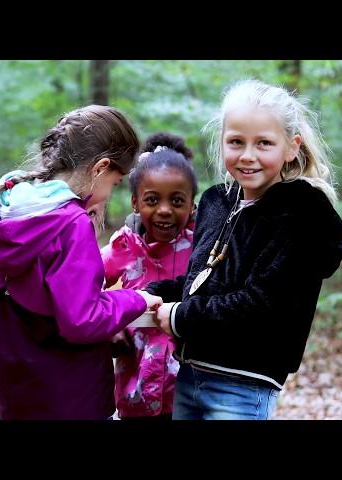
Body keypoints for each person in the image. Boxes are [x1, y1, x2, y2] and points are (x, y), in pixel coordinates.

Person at [148, 79, 342, 420]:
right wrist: (151, 294)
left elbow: (262, 304)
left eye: (264, 144)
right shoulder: (217, 201)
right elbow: (205, 281)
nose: (247, 156)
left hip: (242, 386)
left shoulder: (303, 213)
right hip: (189, 375)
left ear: (291, 147)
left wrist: (180, 316)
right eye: (236, 142)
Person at [0, 105, 162, 420]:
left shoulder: (3, 209)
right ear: (100, 168)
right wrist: (134, 299)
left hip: (14, 398)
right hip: (73, 399)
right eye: (115, 182)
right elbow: (82, 320)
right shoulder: (71, 224)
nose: (109, 193)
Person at [100, 132, 197, 420]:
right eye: (152, 200)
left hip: (189, 392)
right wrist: (110, 323)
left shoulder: (203, 246)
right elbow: (83, 286)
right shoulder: (124, 245)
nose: (164, 210)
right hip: (135, 391)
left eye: (177, 201)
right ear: (135, 202)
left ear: (192, 204)